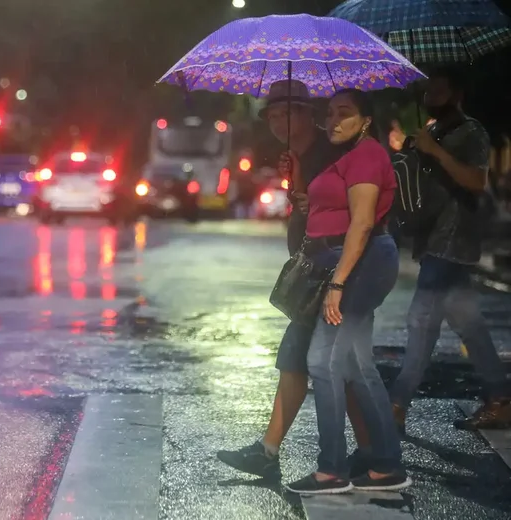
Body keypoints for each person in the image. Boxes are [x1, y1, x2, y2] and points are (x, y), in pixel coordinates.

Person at [217, 80, 373, 479]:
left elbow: (347, 210)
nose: (276, 122)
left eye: (286, 114)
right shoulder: (299, 153)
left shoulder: (332, 150)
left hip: (334, 269)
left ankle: (281, 454)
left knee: (305, 357)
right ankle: (372, 450)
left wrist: (307, 197)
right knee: (339, 363)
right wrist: (297, 185)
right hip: (317, 265)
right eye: (271, 115)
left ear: (307, 113)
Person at [284, 89, 410, 494]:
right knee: (355, 363)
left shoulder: (368, 155)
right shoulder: (341, 156)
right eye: (330, 113)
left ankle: (332, 470)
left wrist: (337, 282)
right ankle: (386, 464)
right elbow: (325, 209)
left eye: (345, 113)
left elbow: (361, 224)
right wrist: (301, 183)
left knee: (322, 359)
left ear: (366, 120)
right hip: (342, 261)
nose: (334, 120)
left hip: (362, 262)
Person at [389, 68, 511, 431]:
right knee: (469, 324)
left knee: (421, 321)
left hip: (452, 238)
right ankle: (500, 399)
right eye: (428, 90)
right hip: (434, 240)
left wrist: (435, 152)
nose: (430, 96)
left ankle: (396, 404)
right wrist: (417, 150)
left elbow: (476, 180)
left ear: (457, 94)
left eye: (439, 90)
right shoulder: (434, 131)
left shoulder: (472, 131)